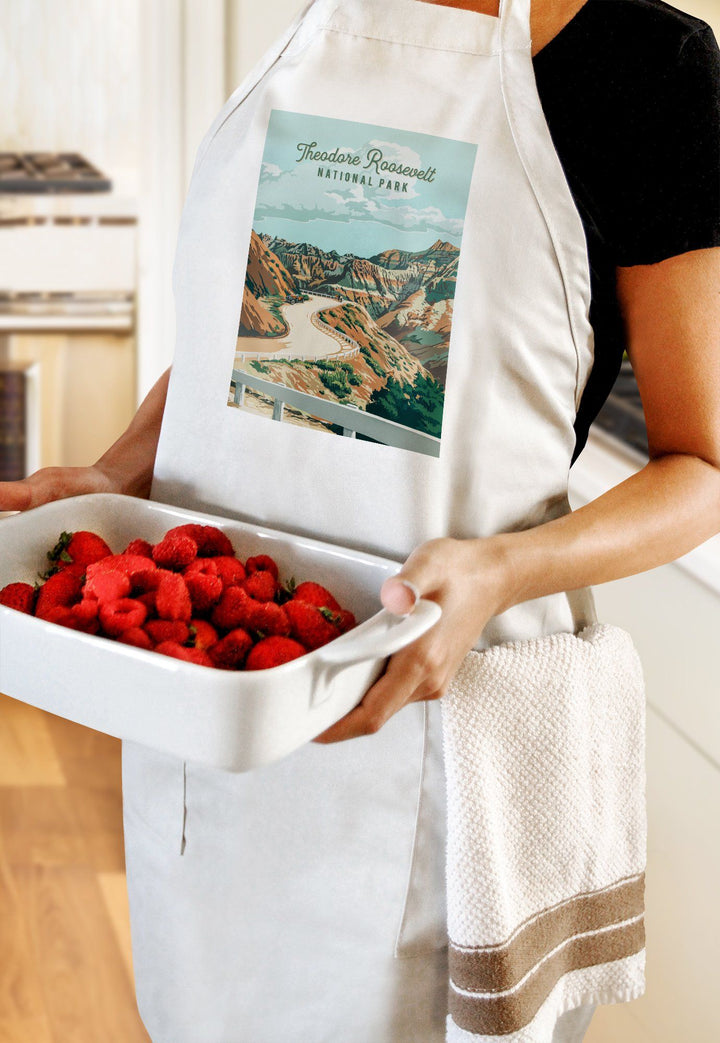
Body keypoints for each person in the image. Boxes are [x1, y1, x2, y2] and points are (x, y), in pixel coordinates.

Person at [1, 0, 719, 1040]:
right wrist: (117, 474)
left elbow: (700, 465)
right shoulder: (322, 26)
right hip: (221, 703)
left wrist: (500, 570)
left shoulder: (648, 69)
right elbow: (244, 351)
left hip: (446, 725)